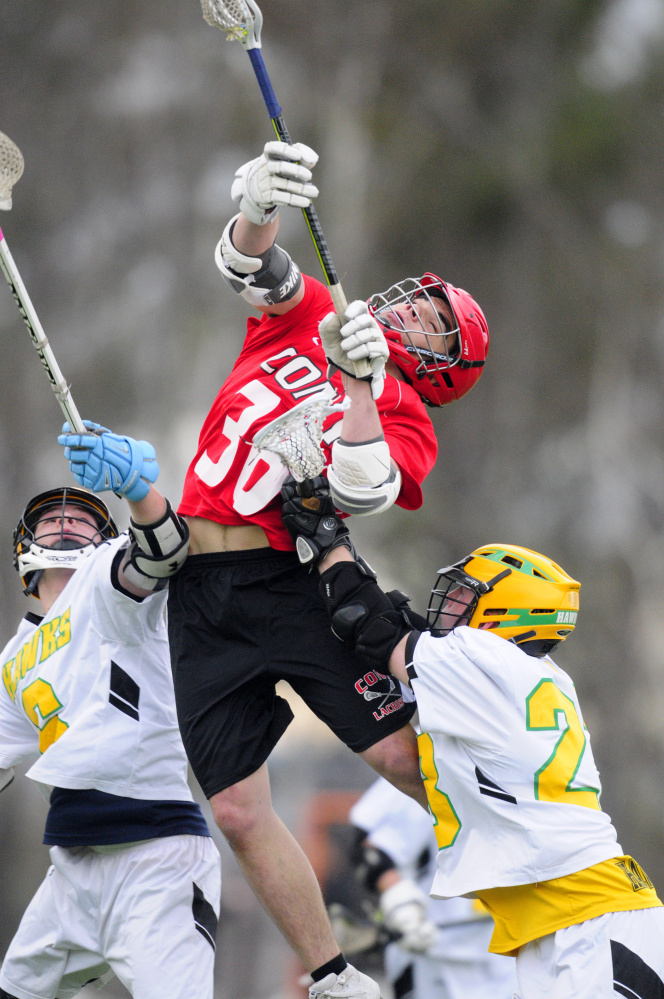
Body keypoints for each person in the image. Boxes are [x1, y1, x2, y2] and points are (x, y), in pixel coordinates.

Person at [167, 140, 489, 996]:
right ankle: (334, 974)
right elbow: (249, 265)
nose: (413, 316)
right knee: (235, 806)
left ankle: (533, 869)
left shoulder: (405, 410)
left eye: (436, 328)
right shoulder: (315, 308)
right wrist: (260, 202)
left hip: (288, 582)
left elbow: (364, 483)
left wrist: (358, 385)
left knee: (397, 756)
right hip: (197, 587)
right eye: (422, 304)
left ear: (441, 370)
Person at [282, 489, 664, 996]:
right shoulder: (530, 673)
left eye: (467, 595)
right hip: (569, 920)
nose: (451, 603)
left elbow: (370, 628)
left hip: (589, 924)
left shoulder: (481, 656)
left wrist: (327, 538)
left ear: (507, 613)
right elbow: (398, 635)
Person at [0, 423, 221, 999]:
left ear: (104, 541)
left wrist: (138, 490)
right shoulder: (14, 656)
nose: (67, 521)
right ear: (24, 547)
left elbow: (164, 550)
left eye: (82, 519)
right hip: (72, 866)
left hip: (155, 854)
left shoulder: (106, 579)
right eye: (51, 519)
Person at [345, 776, 518, 999]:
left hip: (509, 956)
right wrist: (403, 907)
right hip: (434, 959)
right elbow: (372, 852)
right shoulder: (431, 759)